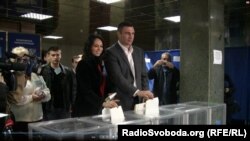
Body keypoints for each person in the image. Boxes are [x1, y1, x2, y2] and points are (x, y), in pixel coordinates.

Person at [104, 21, 154, 111]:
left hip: (139, 100)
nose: (131, 36)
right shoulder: (110, 52)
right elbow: (117, 78)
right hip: (121, 101)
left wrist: (145, 93)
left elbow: (144, 75)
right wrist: (137, 92)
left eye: (133, 33)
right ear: (119, 34)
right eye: (127, 33)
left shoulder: (139, 52)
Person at [7, 46, 50, 140]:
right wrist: (32, 98)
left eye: (25, 59)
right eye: (19, 59)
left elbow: (48, 93)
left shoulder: (35, 75)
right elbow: (13, 99)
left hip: (38, 119)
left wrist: (43, 95)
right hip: (20, 121)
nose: (23, 62)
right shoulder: (10, 77)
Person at [72, 34, 118, 117]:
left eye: (101, 46)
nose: (99, 49)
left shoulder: (100, 64)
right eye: (96, 46)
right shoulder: (83, 64)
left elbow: (104, 85)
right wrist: (103, 103)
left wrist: (110, 96)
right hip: (85, 109)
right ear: (89, 47)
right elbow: (86, 90)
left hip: (97, 108)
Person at [40, 46, 76, 120]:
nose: (56, 57)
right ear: (49, 56)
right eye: (53, 55)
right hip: (49, 107)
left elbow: (73, 89)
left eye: (58, 55)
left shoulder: (68, 71)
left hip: (64, 107)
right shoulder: (43, 71)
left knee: (65, 129)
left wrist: (72, 105)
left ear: (61, 56)